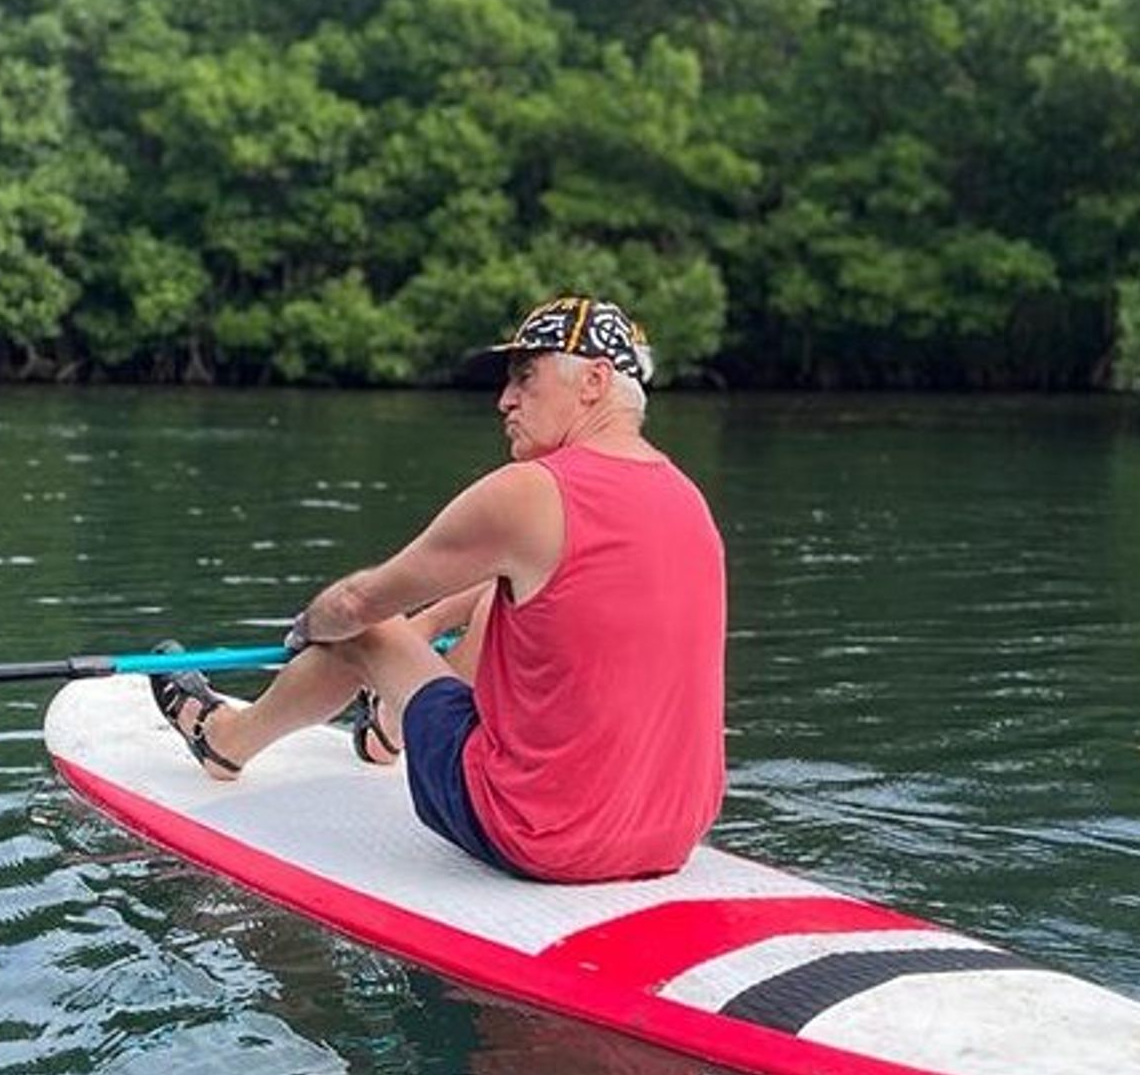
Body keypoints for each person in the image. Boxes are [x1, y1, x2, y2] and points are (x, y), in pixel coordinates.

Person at [152, 296, 727, 883]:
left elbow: (356, 604)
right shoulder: (687, 501)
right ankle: (387, 729)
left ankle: (224, 741)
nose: (505, 400)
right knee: (496, 602)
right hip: (674, 836)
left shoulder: (527, 492)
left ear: (594, 382)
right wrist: (423, 629)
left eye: (525, 378)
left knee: (365, 630)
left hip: (540, 836)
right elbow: (519, 578)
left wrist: (310, 631)